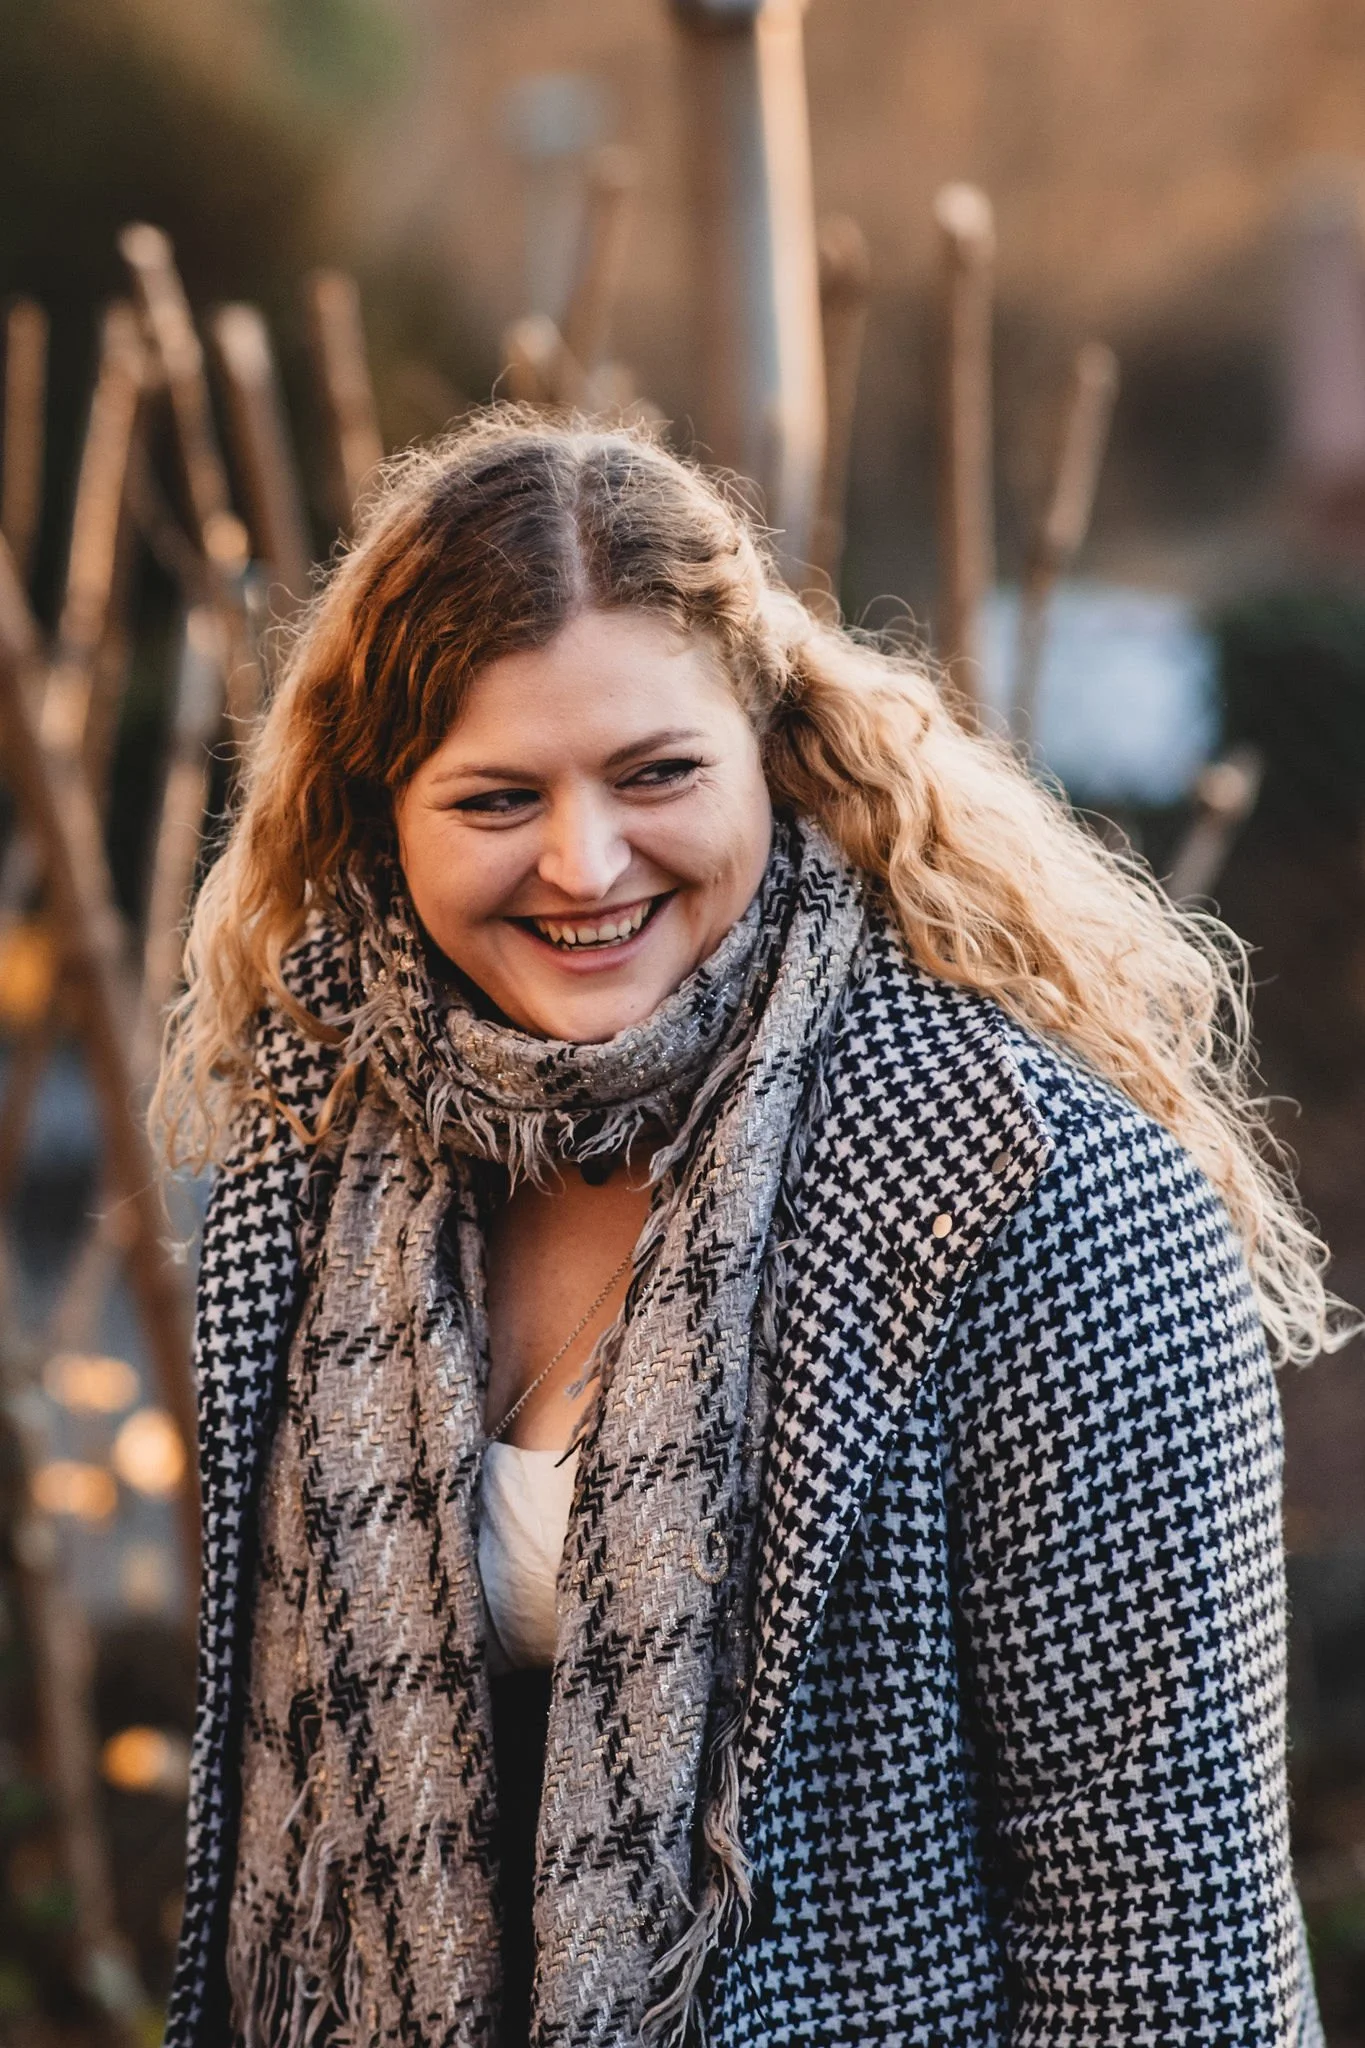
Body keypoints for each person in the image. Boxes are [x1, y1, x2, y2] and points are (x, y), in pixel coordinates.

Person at [156, 410, 1340, 2048]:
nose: (585, 862)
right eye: (497, 797)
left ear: (769, 752)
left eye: (655, 775)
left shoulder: (1034, 1185)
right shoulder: (322, 1142)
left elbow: (1160, 1923)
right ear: (381, 817)